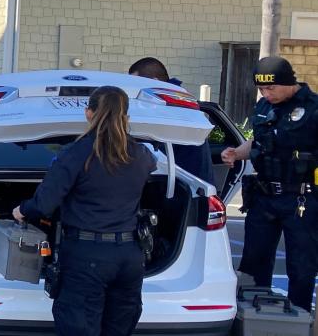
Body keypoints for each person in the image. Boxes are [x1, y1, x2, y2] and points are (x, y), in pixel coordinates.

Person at [12, 86, 154, 336]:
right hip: (129, 258)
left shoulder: (76, 156)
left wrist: (22, 211)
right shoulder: (142, 155)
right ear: (126, 116)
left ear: (89, 113)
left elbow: (44, 203)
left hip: (87, 259)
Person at [220, 56, 318, 312]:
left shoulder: (313, 108)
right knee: (253, 264)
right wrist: (236, 152)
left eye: (271, 87)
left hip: (301, 199)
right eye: (262, 89)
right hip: (264, 197)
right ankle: (253, 319)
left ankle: (299, 321)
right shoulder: (264, 106)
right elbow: (260, 141)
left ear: (288, 82)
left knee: (302, 267)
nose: (266, 93)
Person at [127, 56, 216, 185]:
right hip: (192, 187)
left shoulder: (170, 108)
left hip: (183, 189)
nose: (134, 89)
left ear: (154, 81)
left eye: (137, 83)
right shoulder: (181, 102)